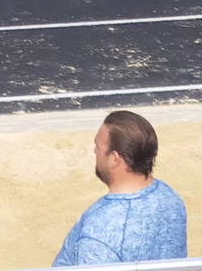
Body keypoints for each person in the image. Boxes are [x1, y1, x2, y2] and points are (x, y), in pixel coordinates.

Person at [53, 111, 187, 266]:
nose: (95, 151)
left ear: (114, 159)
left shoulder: (100, 233)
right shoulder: (170, 198)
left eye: (98, 146)